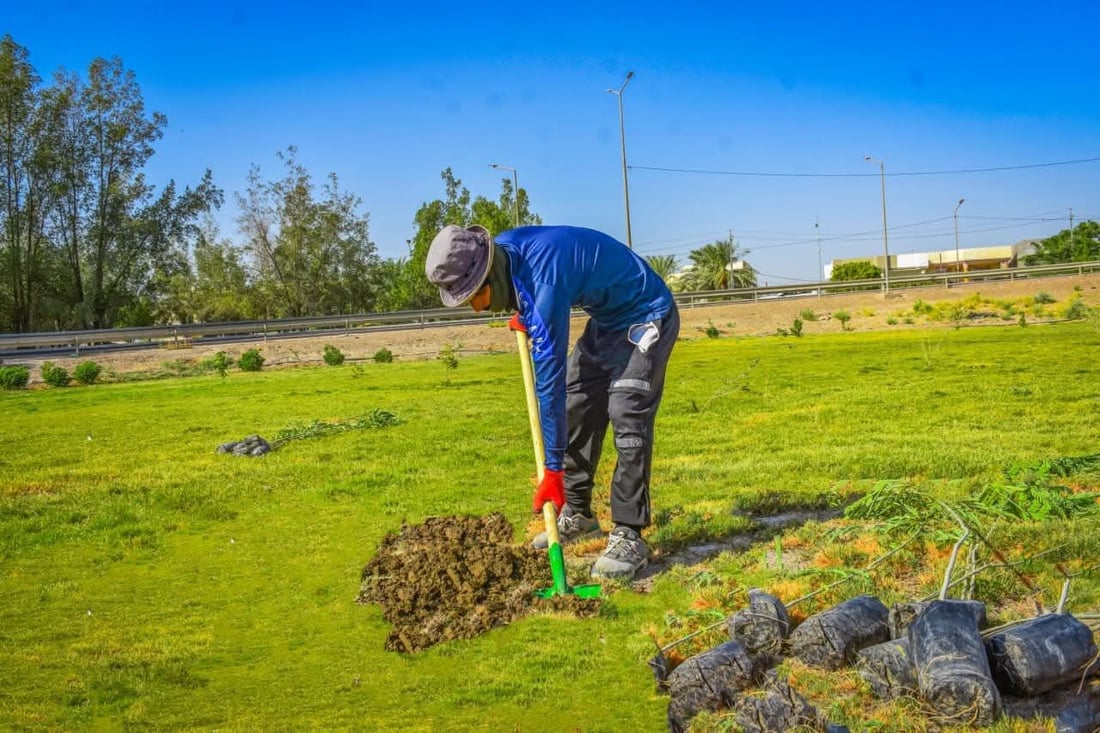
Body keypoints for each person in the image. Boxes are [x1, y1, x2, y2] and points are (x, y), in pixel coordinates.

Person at [425, 224, 679, 580]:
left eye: (476, 297)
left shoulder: (543, 282)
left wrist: (553, 470)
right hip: (606, 323)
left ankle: (629, 532)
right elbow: (527, 287)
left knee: (626, 411)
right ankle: (578, 514)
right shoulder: (508, 254)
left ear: (489, 276)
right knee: (578, 406)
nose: (478, 309)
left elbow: (550, 383)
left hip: (647, 314)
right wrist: (526, 310)